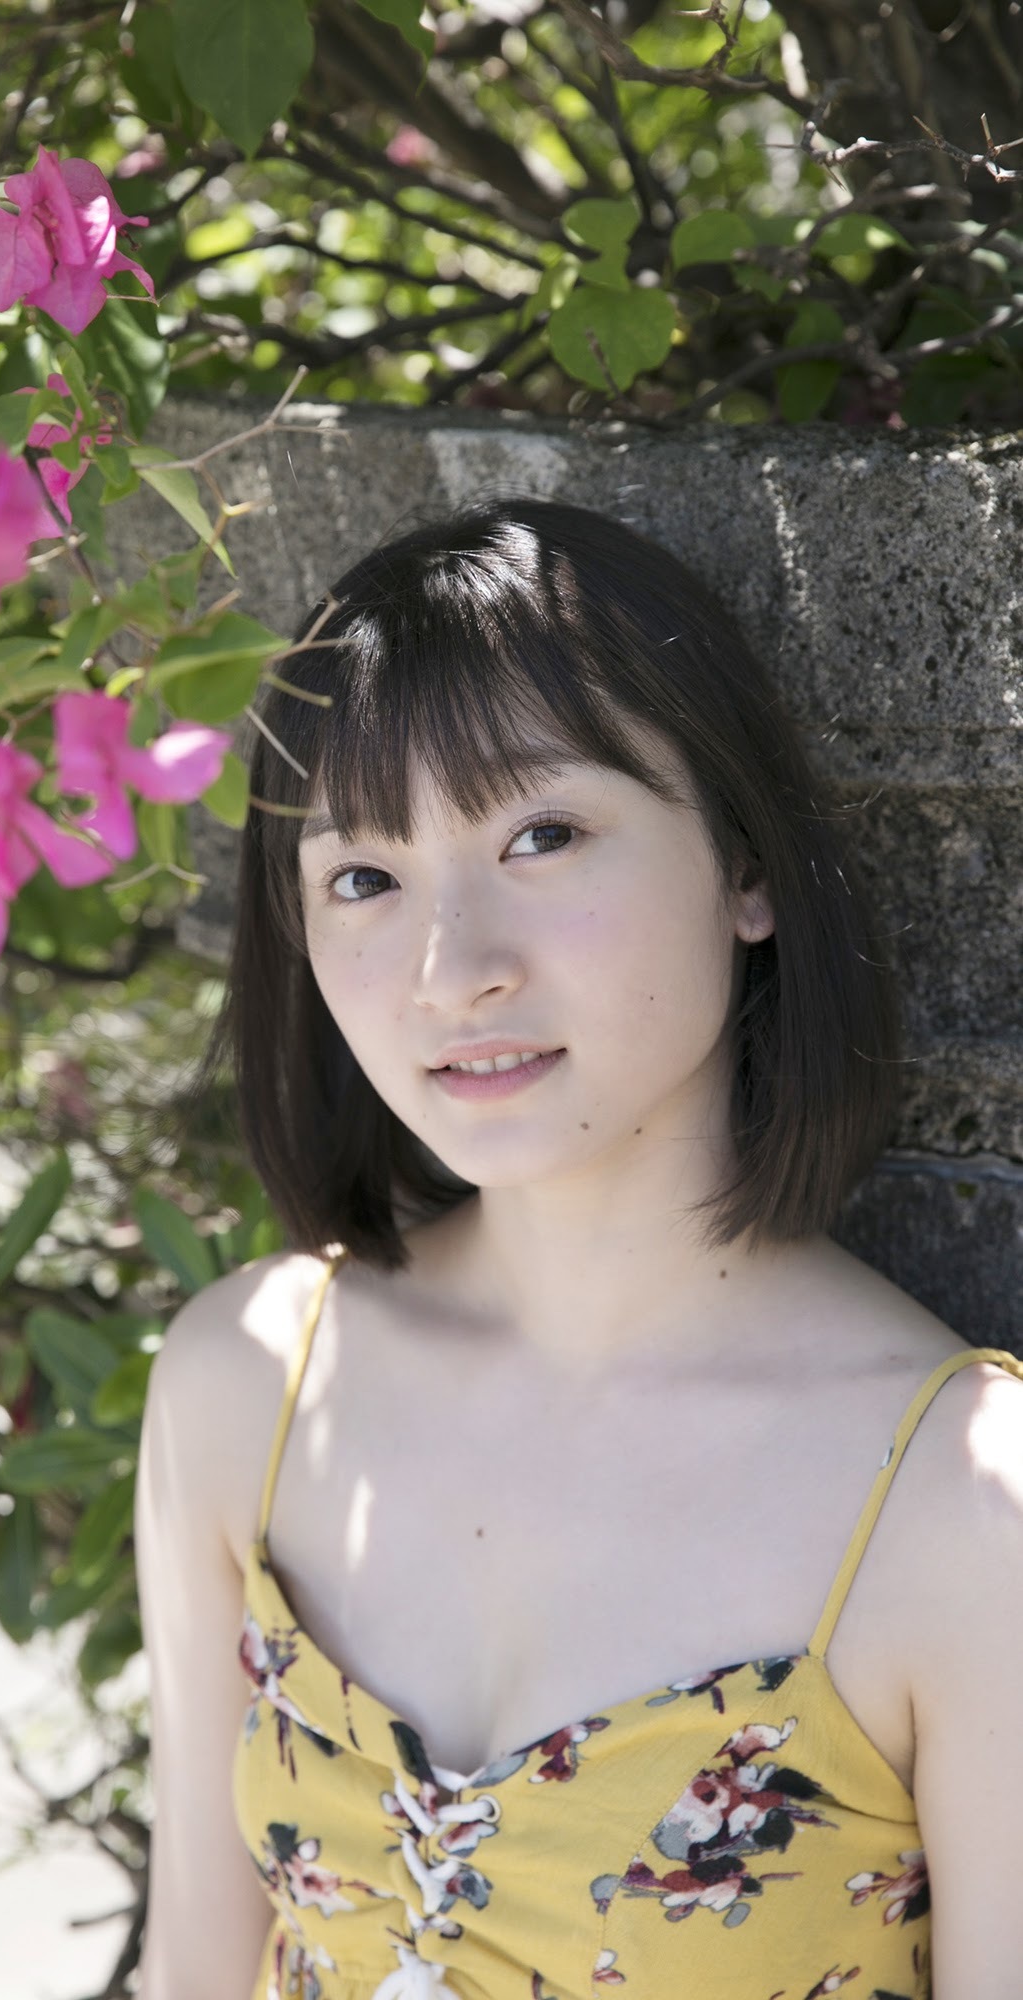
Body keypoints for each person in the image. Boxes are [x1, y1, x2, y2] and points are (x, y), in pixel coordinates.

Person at [133, 497, 1023, 1999]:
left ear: (745, 865)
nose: (452, 972)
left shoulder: (964, 1511)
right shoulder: (248, 1382)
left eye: (540, 836)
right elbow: (191, 1971)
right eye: (364, 877)